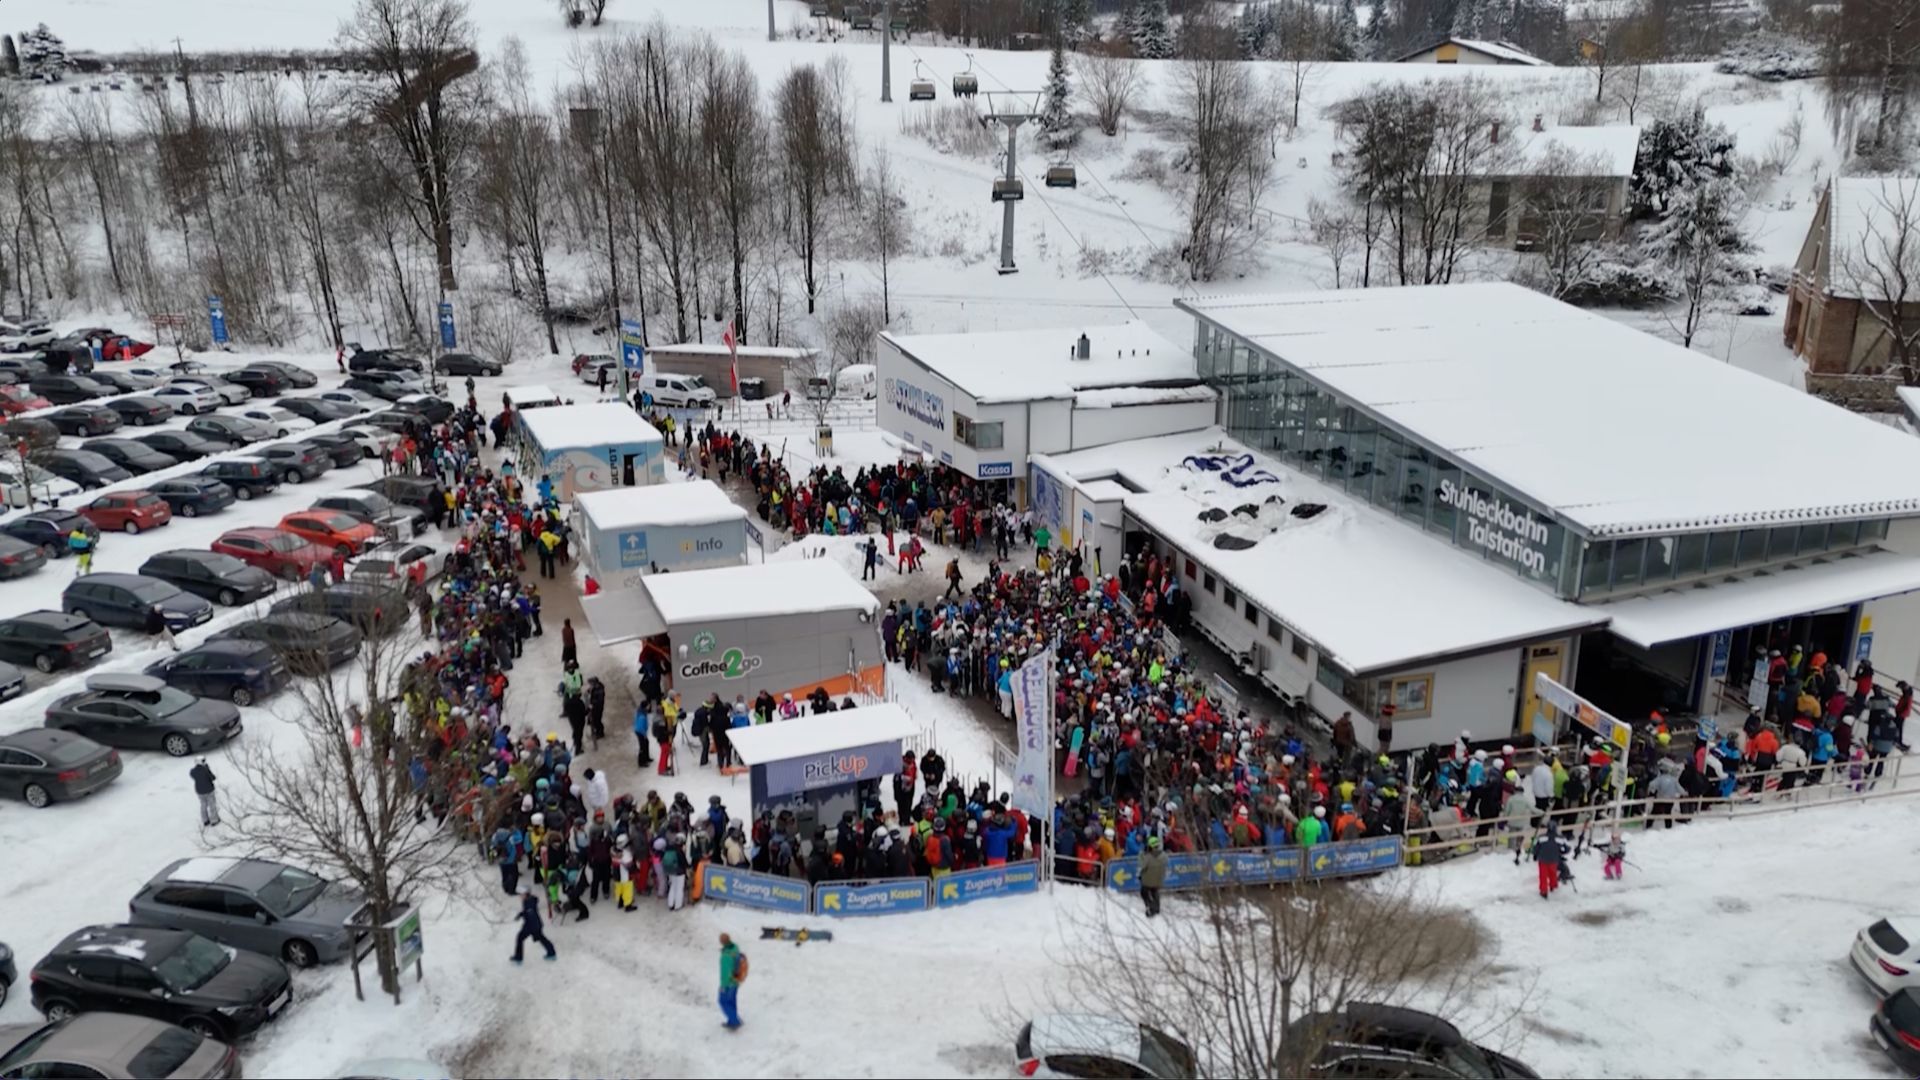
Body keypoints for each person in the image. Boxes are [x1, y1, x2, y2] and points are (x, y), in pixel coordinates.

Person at [510, 886, 557, 963]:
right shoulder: (528, 901)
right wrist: (520, 914)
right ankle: (551, 953)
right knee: (541, 938)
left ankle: (518, 958)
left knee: (520, 938)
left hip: (532, 926)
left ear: (526, 894)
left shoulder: (529, 903)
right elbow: (527, 912)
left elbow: (531, 915)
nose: (520, 896)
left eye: (521, 895)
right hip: (534, 925)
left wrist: (530, 926)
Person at [718, 932, 747, 1029]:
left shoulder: (726, 956)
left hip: (729, 983)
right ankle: (733, 1019)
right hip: (736, 982)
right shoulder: (735, 948)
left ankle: (734, 1022)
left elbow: (726, 973)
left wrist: (723, 986)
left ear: (722, 942)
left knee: (723, 1001)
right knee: (731, 1002)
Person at [1138, 835, 1168, 917]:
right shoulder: (1164, 855)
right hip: (1159, 879)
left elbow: (1142, 866)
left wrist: (1141, 856)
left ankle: (1150, 906)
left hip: (1148, 880)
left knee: (1144, 892)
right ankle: (1157, 907)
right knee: (1155, 891)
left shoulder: (1148, 857)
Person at [189, 756, 219, 827]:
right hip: (209, 790)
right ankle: (214, 819)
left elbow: (193, 775)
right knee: (212, 805)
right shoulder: (205, 770)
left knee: (203, 805)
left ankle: (205, 820)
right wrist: (207, 769)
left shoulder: (193, 771)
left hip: (199, 791)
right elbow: (212, 778)